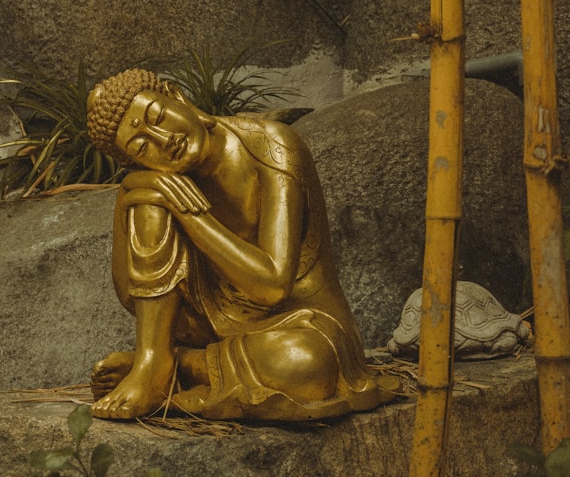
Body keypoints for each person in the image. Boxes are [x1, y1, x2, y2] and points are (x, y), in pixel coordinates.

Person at [86, 68, 397, 421]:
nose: (162, 139)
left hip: (297, 322)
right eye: (141, 147)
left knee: (302, 365)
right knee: (150, 199)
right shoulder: (158, 183)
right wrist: (129, 193)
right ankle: (153, 360)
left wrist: (190, 214)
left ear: (177, 97)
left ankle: (182, 365)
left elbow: (273, 286)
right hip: (209, 322)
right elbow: (130, 295)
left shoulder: (273, 147)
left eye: (157, 116)